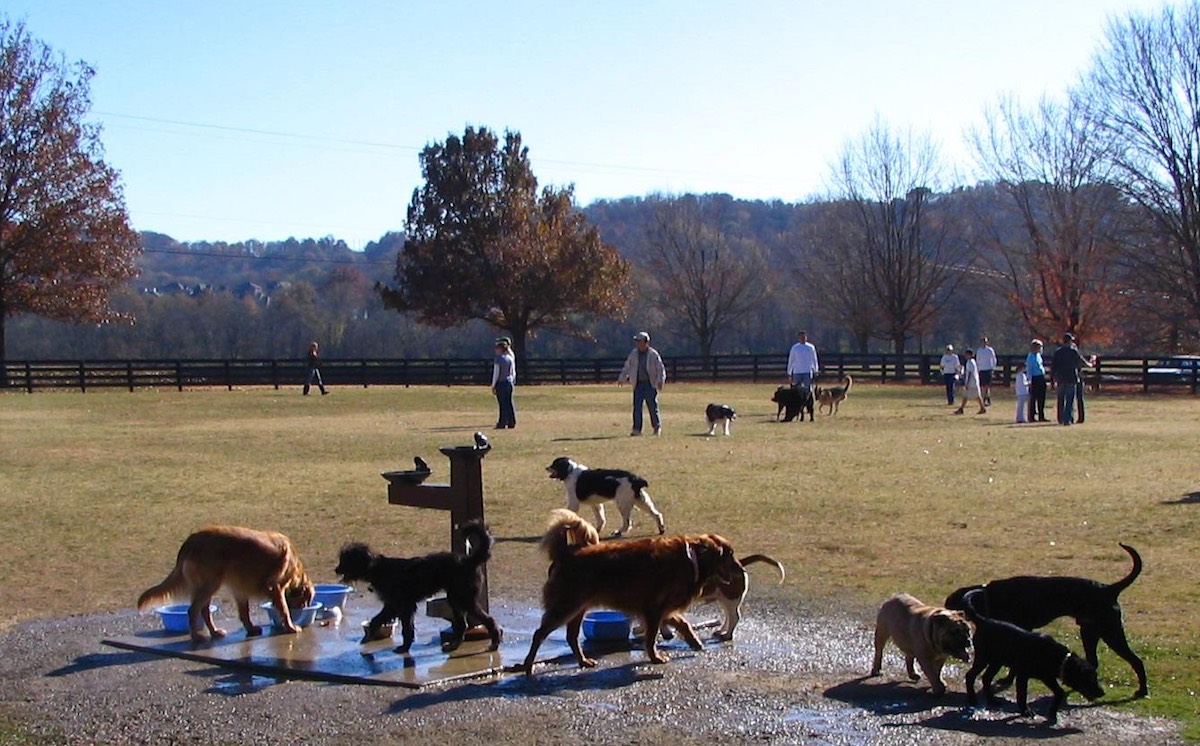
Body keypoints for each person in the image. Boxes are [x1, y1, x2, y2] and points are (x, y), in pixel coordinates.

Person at [618, 331, 665, 436]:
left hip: (650, 384)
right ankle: (637, 429)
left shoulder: (653, 354)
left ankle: (657, 427)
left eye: (639, 341)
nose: (638, 343)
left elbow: (660, 368)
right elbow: (627, 366)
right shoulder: (634, 354)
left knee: (653, 407)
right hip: (638, 384)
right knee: (637, 408)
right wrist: (622, 377)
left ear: (646, 342)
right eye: (637, 341)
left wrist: (660, 380)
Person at [1051, 332, 1089, 425]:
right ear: (1070, 341)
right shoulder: (1073, 351)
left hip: (1060, 378)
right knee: (1069, 399)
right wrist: (1090, 364)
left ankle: (1060, 418)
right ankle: (1067, 419)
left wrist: (1053, 378)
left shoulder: (1057, 352)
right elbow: (1080, 362)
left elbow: (1053, 366)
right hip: (1071, 377)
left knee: (1060, 399)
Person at [491, 336, 517, 429]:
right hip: (509, 382)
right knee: (509, 402)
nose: (495, 349)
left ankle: (502, 422)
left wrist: (493, 385)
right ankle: (511, 421)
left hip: (501, 383)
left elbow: (496, 373)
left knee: (502, 403)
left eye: (497, 348)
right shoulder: (510, 358)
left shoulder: (498, 359)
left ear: (501, 349)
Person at [954, 349, 987, 415]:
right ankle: (962, 409)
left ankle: (982, 408)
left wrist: (967, 383)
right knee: (970, 396)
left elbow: (969, 373)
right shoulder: (973, 362)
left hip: (971, 383)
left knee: (971, 396)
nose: (965, 356)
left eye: (966, 354)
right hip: (975, 382)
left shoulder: (970, 362)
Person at [1025, 339, 1047, 422]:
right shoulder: (1030, 357)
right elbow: (1029, 369)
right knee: (1033, 398)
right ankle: (1031, 416)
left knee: (1041, 397)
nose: (1041, 349)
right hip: (1034, 378)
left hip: (1041, 377)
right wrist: (1029, 380)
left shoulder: (1038, 356)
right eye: (1040, 347)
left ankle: (1041, 415)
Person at [976, 336, 997, 406]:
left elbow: (994, 359)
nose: (984, 343)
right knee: (982, 386)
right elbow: (977, 360)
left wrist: (993, 367)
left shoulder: (990, 350)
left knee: (987, 386)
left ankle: (985, 399)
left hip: (988, 369)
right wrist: (978, 369)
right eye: (983, 342)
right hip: (982, 370)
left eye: (985, 342)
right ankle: (987, 398)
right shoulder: (979, 351)